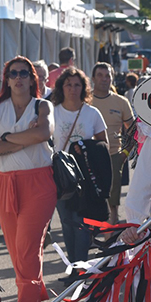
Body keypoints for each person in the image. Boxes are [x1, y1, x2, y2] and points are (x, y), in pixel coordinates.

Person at [0, 57, 56, 302]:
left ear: (32, 78)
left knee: (26, 245)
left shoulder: (42, 105)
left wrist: (6, 140)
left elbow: (44, 133)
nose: (19, 77)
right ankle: (35, 295)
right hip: (2, 183)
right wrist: (24, 136)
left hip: (37, 183)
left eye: (24, 73)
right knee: (17, 248)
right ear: (7, 79)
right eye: (13, 73)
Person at [50, 67, 108, 265]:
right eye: (68, 85)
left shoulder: (92, 113)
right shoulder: (52, 112)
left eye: (77, 85)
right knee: (67, 223)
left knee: (81, 223)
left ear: (83, 88)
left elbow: (103, 143)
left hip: (85, 177)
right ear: (61, 87)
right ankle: (73, 266)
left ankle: (80, 268)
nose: (73, 89)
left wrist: (85, 148)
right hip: (60, 176)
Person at [90, 63, 134, 225]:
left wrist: (125, 154)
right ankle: (90, 239)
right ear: (93, 78)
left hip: (113, 157)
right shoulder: (84, 100)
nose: (104, 79)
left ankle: (109, 244)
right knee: (90, 202)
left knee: (112, 203)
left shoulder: (121, 102)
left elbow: (134, 132)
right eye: (100, 75)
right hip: (88, 157)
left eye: (107, 75)